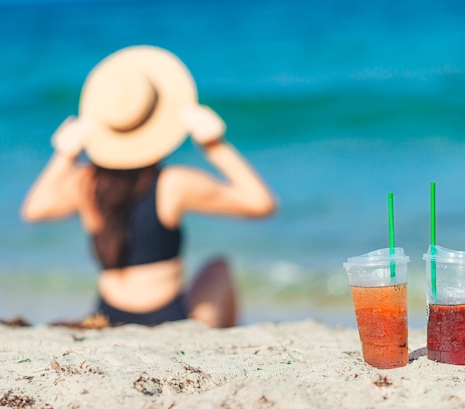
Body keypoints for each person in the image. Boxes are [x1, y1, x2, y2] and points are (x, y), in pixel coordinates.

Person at [21, 46, 275, 328]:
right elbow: (260, 203)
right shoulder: (172, 184)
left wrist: (64, 155)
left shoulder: (86, 184)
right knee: (219, 268)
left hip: (108, 318)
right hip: (169, 319)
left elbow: (34, 210)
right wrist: (215, 146)